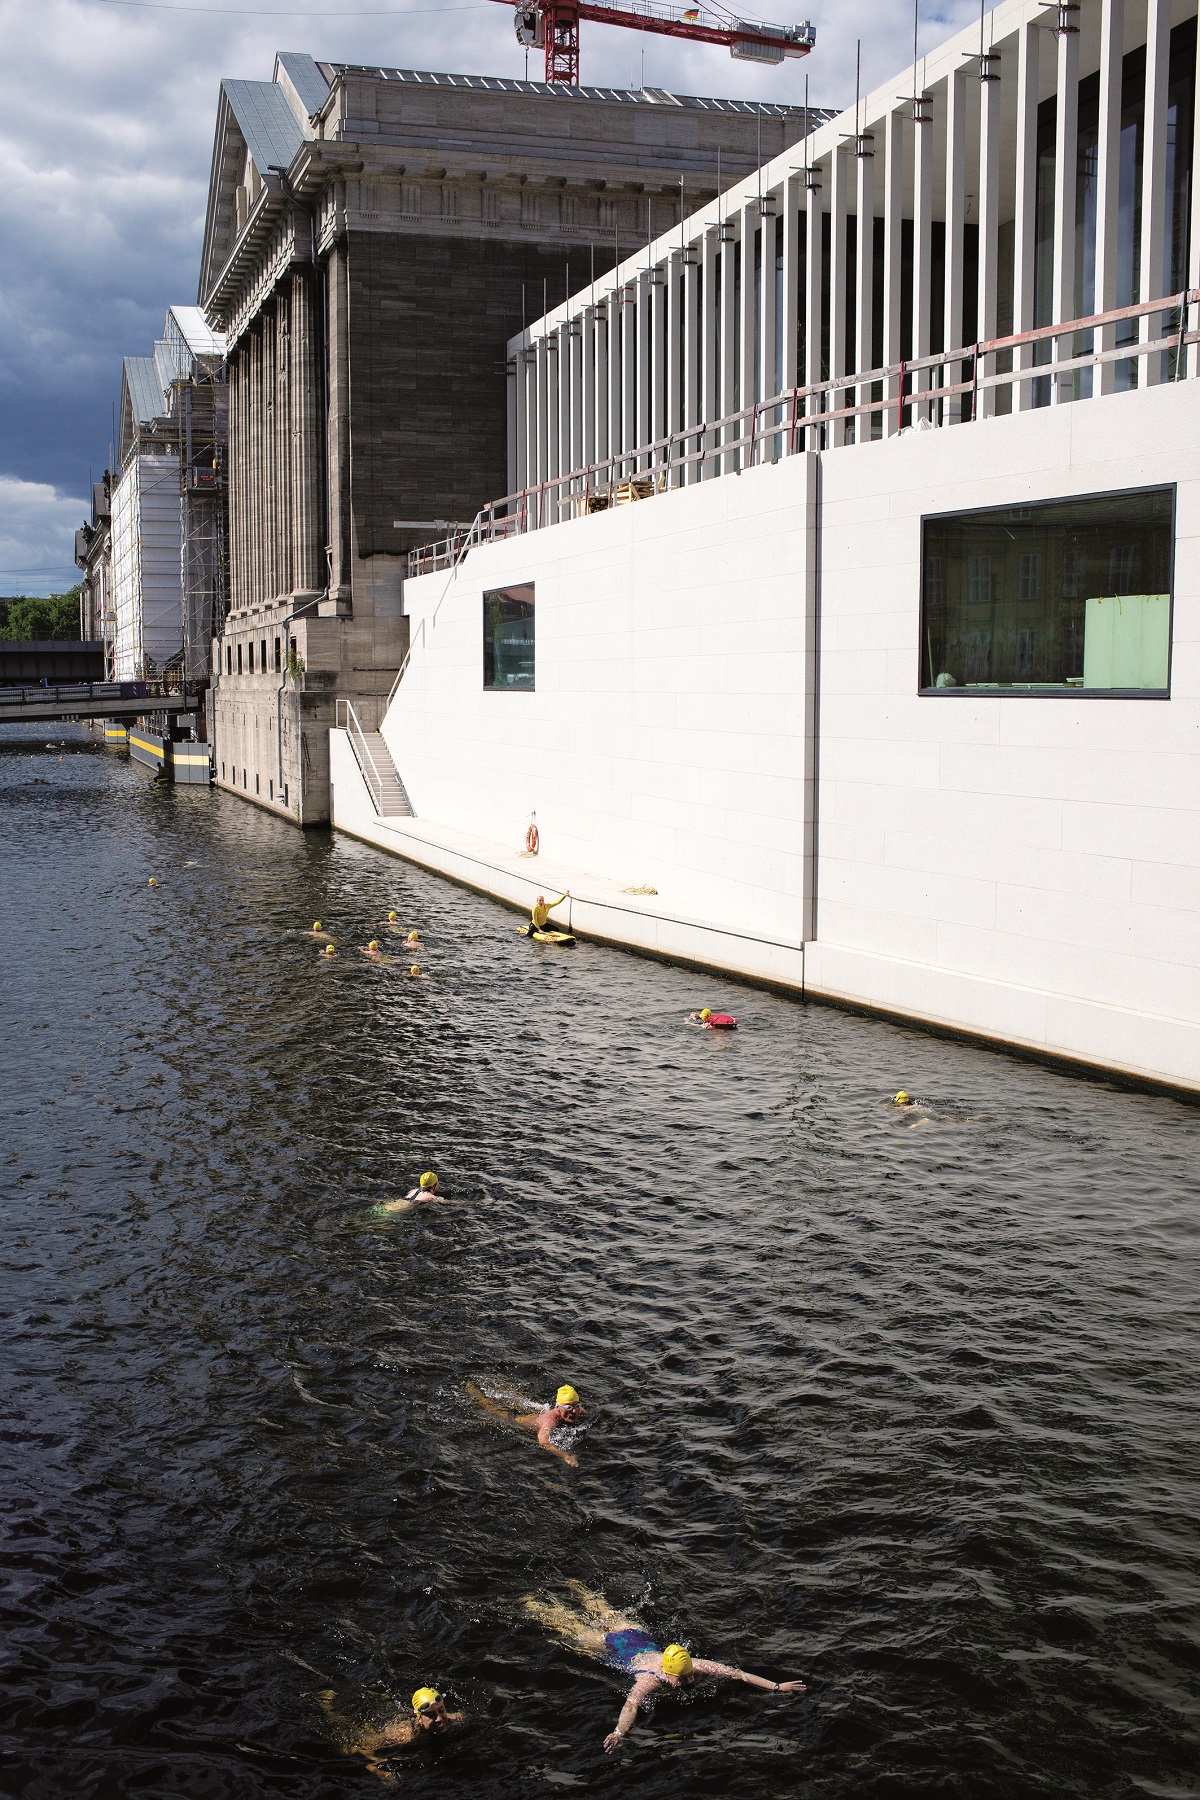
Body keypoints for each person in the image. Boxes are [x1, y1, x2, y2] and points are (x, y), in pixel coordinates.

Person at [520, 1584, 805, 1753]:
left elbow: (738, 1674)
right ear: (667, 1673)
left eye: (690, 1673)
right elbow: (632, 1704)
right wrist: (619, 1733)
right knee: (568, 1626)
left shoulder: (695, 1665)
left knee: (602, 1607)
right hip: (617, 1646)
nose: (690, 1678)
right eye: (683, 1677)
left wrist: (777, 1686)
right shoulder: (649, 1678)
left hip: (637, 1634)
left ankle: (578, 1587)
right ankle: (534, 1602)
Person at [318, 1685, 465, 1779]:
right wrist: (379, 1767)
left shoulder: (452, 1718)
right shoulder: (404, 1735)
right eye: (431, 1715)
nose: (440, 1719)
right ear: (419, 1719)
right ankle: (326, 1706)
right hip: (382, 1722)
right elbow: (364, 1746)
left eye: (441, 1710)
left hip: (401, 1715)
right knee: (345, 1749)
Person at [466, 1380, 586, 1468]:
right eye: (569, 1407)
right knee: (490, 1407)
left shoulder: (576, 1410)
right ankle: (471, 1389)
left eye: (577, 1406)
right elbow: (543, 1440)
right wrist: (565, 1456)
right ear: (558, 1408)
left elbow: (580, 1410)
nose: (574, 1411)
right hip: (516, 1419)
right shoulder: (550, 1422)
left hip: (535, 1414)